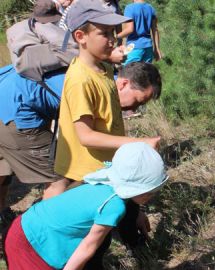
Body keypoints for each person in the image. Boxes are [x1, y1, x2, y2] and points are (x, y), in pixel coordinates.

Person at [0, 62, 162, 224]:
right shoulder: (100, 91)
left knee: (2, 172)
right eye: (138, 101)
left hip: (7, 89)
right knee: (59, 179)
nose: (134, 110)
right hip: (16, 109)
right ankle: (44, 234)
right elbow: (89, 140)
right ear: (123, 84)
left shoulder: (101, 74)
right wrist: (140, 143)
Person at [4, 142, 169, 270]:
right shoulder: (114, 206)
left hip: (24, 227)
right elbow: (88, 245)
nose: (151, 196)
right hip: (35, 246)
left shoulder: (103, 179)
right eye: (149, 192)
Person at [54, 0, 161, 184]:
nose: (112, 39)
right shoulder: (81, 80)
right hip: (88, 173)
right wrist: (139, 142)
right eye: (104, 33)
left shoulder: (105, 67)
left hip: (103, 166)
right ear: (81, 37)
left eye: (113, 32)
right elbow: (86, 136)